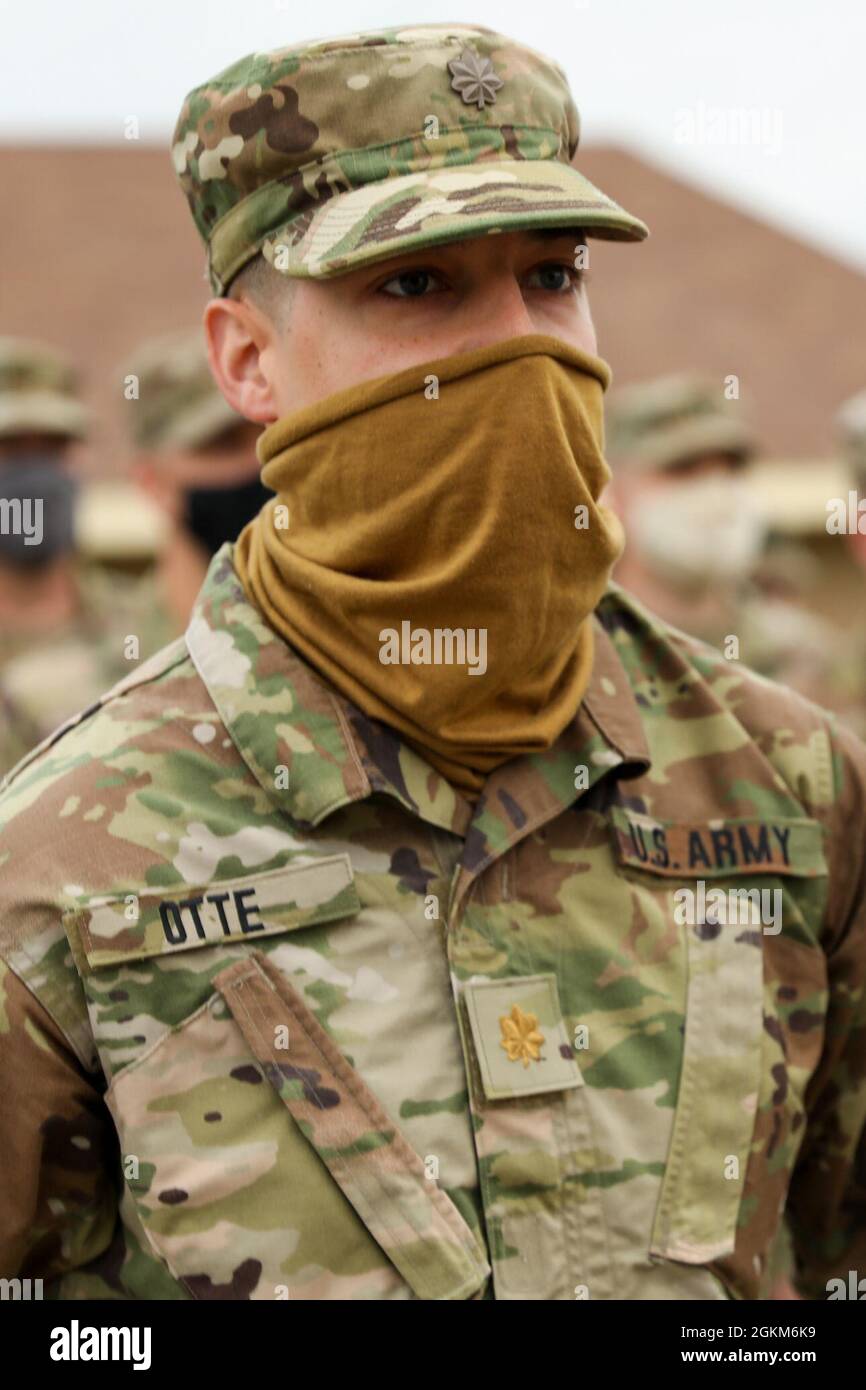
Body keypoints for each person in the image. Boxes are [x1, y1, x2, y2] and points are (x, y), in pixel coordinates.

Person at [0, 23, 864, 1303]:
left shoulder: (785, 784)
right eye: (415, 286)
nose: (518, 346)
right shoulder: (66, 859)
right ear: (247, 359)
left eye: (551, 274)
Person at [0, 337, 144, 776]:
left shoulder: (152, 622)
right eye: (8, 450)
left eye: (50, 448)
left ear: (78, 458)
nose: (32, 477)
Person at [125, 329, 271, 630]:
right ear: (152, 482)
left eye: (267, 432)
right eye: (224, 445)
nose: (258, 460)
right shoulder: (118, 655)